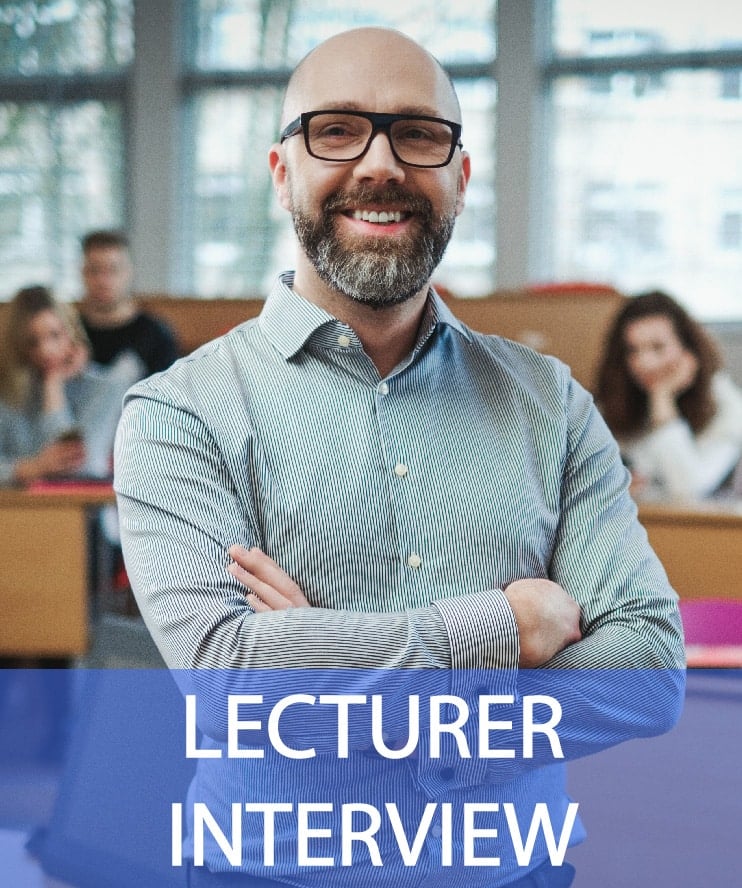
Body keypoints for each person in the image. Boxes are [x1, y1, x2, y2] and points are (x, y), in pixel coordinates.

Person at [114, 28, 684, 888]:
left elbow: (647, 673)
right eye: (336, 131)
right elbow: (229, 688)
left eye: (419, 134)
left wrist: (319, 660)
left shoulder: (552, 403)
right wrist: (505, 631)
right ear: (282, 174)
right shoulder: (176, 413)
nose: (380, 163)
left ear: (460, 175)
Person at [596, 290, 742, 502]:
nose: (644, 363)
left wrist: (662, 399)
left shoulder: (728, 407)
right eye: (633, 350)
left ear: (688, 349)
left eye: (657, 347)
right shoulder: (616, 400)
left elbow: (688, 491)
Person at [0, 285, 141, 485]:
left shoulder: (105, 387)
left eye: (55, 335)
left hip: (82, 511)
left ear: (71, 333)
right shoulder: (7, 391)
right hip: (16, 511)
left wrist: (53, 385)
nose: (46, 350)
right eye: (32, 342)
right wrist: (30, 468)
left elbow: (79, 467)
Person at [78, 229, 179, 376]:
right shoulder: (67, 333)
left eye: (113, 270)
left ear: (129, 272)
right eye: (95, 270)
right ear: (83, 273)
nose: (103, 281)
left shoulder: (156, 334)